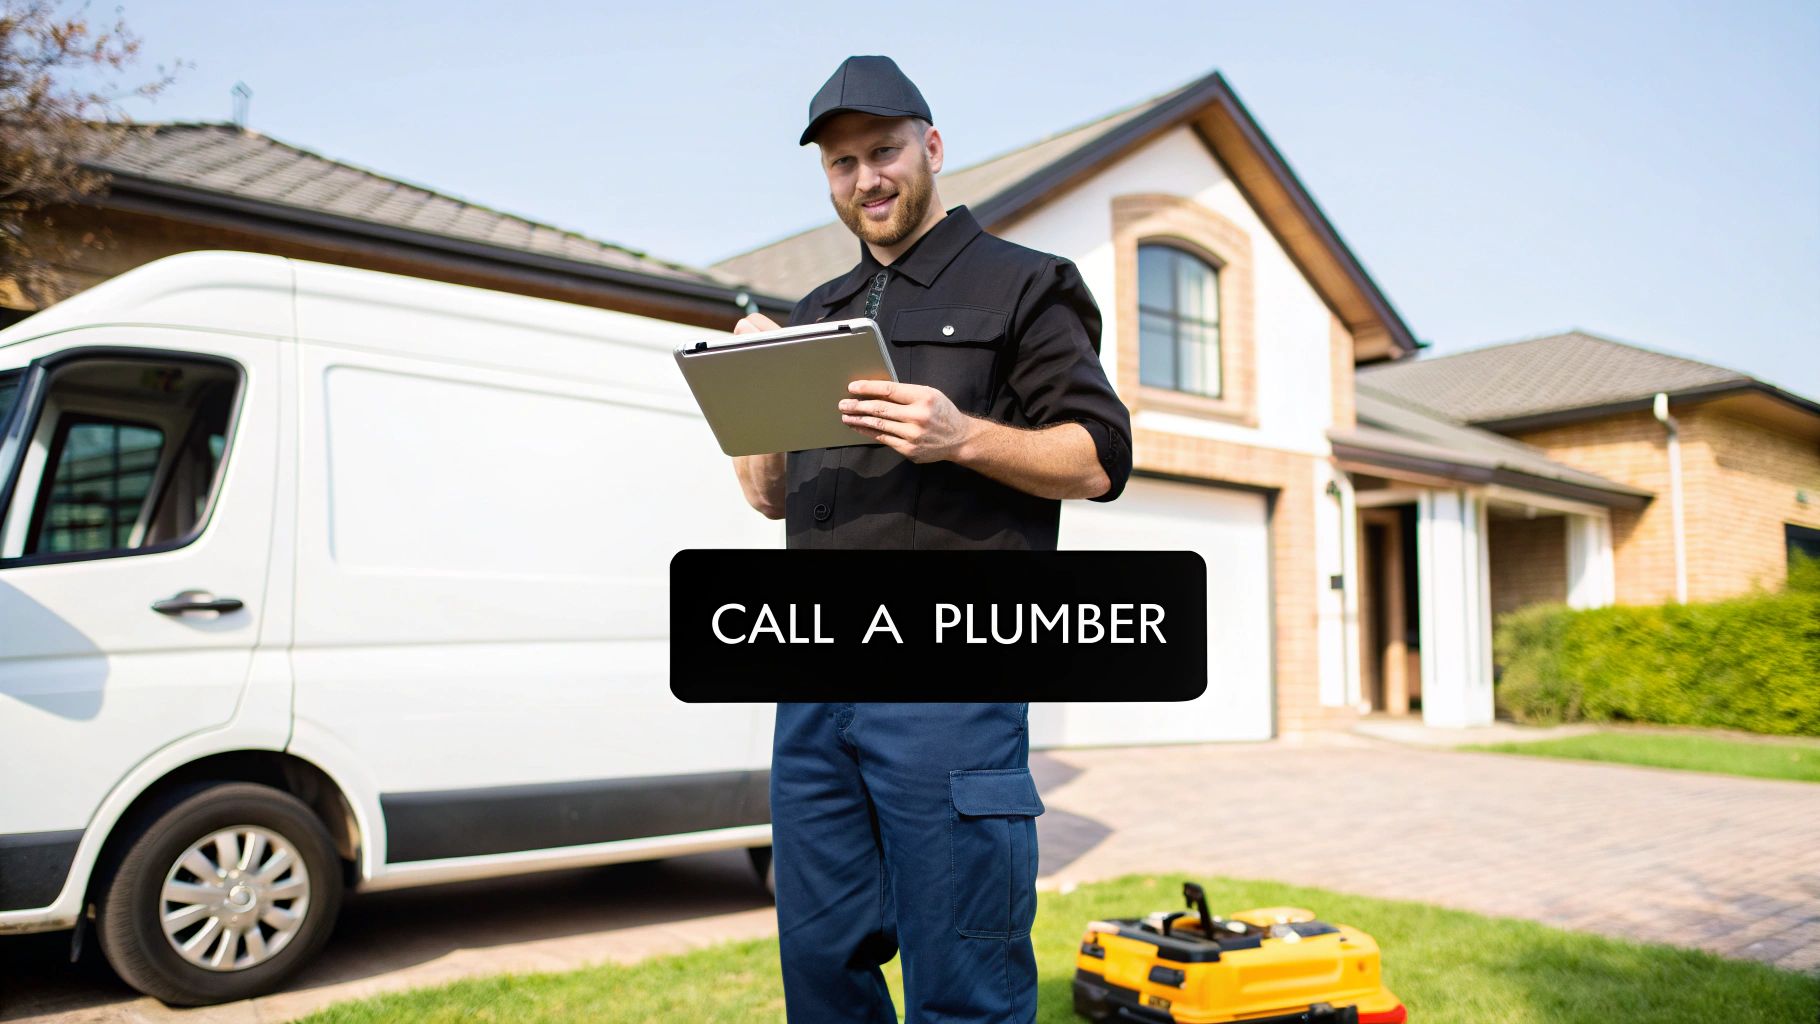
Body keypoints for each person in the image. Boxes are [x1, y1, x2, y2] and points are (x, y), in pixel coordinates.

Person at [728, 54, 1132, 1023]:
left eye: (882, 151)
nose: (864, 178)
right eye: (839, 164)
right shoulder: (813, 316)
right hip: (815, 681)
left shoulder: (1023, 287)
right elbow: (770, 500)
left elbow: (1099, 456)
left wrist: (960, 436)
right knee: (821, 973)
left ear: (931, 147)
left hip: (950, 681)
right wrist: (747, 410)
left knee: (963, 983)